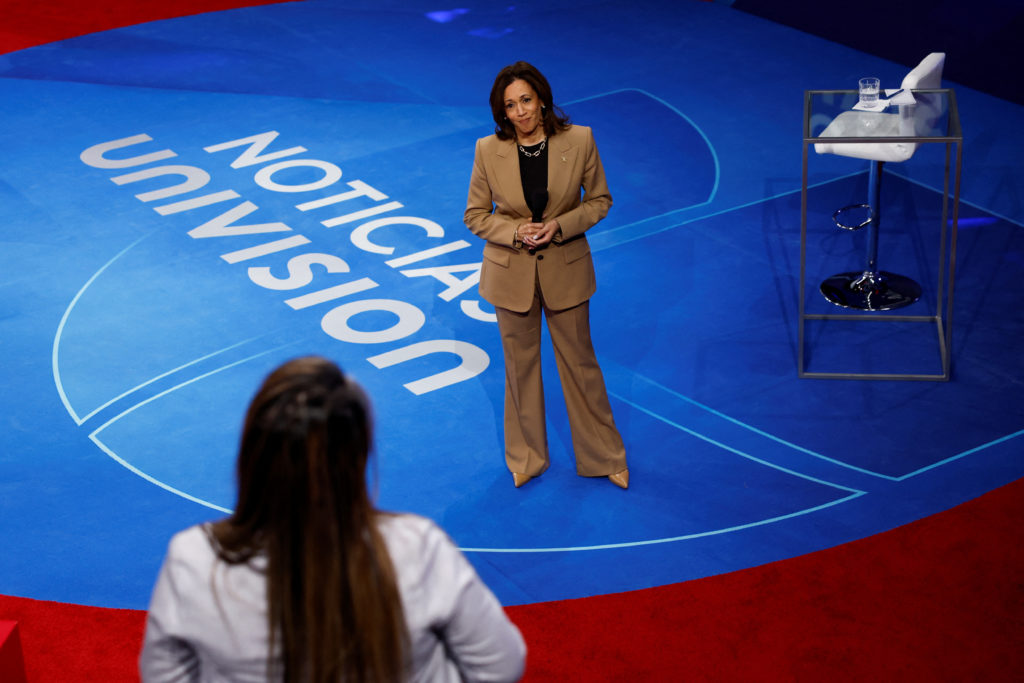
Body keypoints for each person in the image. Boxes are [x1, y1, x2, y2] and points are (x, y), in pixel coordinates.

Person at [139, 356, 526, 682]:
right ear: (357, 458)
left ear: (252, 453)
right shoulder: (418, 548)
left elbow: (163, 674)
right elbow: (500, 664)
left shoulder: (194, 559)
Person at [464, 61, 629, 490]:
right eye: (510, 106)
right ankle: (526, 457)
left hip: (566, 268)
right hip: (510, 275)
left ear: (542, 100)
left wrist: (560, 226)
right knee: (520, 370)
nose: (520, 112)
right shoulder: (487, 150)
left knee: (580, 365)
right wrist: (515, 231)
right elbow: (475, 215)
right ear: (500, 113)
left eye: (526, 101)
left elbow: (599, 201)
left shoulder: (580, 140)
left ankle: (604, 455)